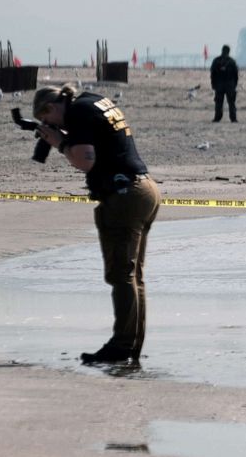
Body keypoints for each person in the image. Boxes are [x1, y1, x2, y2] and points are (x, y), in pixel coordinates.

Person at [33, 84, 161, 365]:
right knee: (133, 276)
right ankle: (130, 347)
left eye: (47, 121)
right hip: (144, 188)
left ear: (51, 109)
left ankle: (121, 346)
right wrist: (64, 139)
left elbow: (86, 160)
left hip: (124, 196)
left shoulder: (77, 112)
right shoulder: (92, 101)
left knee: (121, 276)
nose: (49, 126)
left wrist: (60, 143)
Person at [210, 44, 239, 122]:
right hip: (230, 85)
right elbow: (236, 75)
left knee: (219, 103)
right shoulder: (232, 61)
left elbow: (212, 74)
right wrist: (234, 85)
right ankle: (233, 118)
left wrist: (213, 84)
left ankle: (217, 117)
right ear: (228, 51)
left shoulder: (216, 60)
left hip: (219, 85)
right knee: (231, 102)